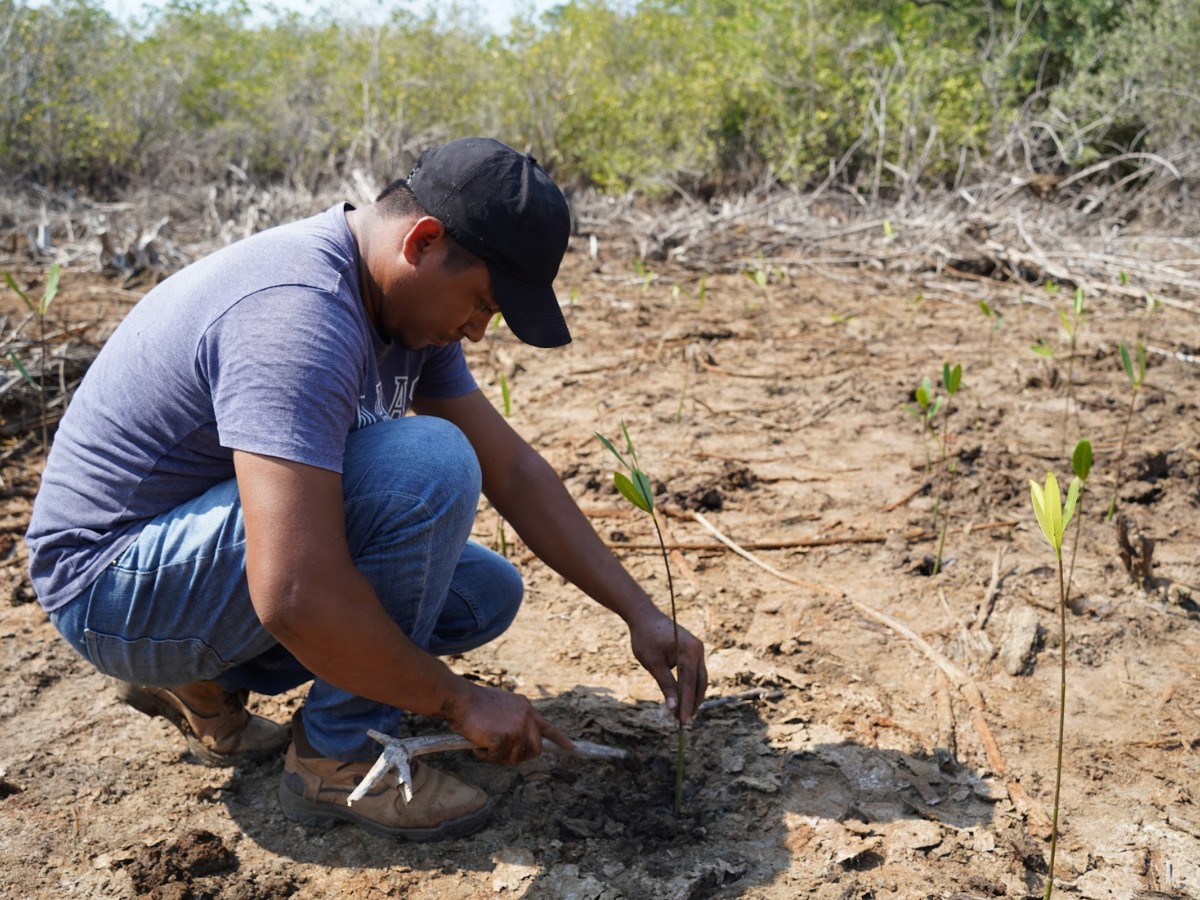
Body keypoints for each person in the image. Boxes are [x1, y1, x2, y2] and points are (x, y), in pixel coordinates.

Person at [25, 137, 707, 841]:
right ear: (424, 240)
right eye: (481, 303)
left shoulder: (404, 311)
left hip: (186, 558)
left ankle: (203, 677)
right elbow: (292, 593)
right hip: (109, 584)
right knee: (428, 464)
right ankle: (338, 756)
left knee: (482, 595)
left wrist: (640, 613)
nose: (477, 330)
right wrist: (457, 700)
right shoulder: (300, 312)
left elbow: (512, 468)